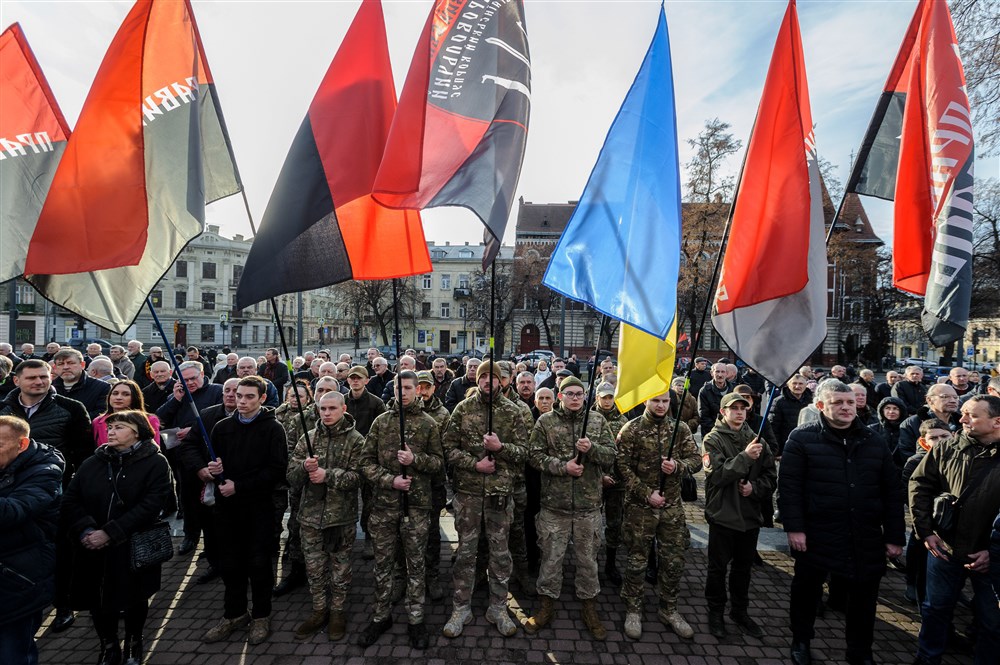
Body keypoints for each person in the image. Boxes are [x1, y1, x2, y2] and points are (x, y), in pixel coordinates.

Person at [779, 380, 904, 665]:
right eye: (838, 402)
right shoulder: (802, 438)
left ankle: (860, 651)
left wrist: (895, 535)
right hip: (817, 531)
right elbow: (789, 487)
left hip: (864, 533)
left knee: (863, 599)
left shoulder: (873, 440)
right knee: (807, 591)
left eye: (850, 402)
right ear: (821, 406)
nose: (846, 407)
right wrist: (795, 528)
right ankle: (801, 639)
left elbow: (891, 490)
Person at [62, 411, 172, 665]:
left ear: (137, 431)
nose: (111, 431)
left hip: (131, 543)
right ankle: (108, 644)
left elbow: (152, 504)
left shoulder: (155, 463)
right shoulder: (94, 461)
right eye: (109, 426)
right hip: (92, 545)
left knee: (134, 596)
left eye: (119, 427)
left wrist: (110, 532)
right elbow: (71, 499)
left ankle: (134, 641)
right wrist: (87, 530)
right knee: (98, 598)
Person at [0, 359, 92, 632]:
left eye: (43, 377)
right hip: (8, 492)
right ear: (17, 381)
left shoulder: (71, 408)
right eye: (32, 378)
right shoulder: (3, 410)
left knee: (59, 551)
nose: (39, 382)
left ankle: (62, 606)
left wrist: (76, 486)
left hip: (53, 492)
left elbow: (85, 451)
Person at [909, 395, 1000, 665]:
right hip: (944, 549)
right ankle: (927, 658)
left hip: (990, 559)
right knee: (935, 609)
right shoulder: (946, 448)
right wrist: (925, 531)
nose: (961, 420)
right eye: (962, 413)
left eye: (971, 415)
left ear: (997, 422)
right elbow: (919, 486)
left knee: (992, 620)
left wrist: (994, 553)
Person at [524, 376, 615, 640]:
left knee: (588, 562)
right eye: (569, 394)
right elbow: (533, 455)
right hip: (555, 506)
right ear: (560, 395)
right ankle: (546, 607)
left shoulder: (597, 421)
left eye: (579, 394)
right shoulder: (546, 421)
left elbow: (612, 455)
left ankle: (590, 608)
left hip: (588, 507)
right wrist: (563, 467)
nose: (575, 398)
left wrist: (592, 449)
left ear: (585, 396)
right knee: (551, 560)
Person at [357, 371, 443, 649]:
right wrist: (389, 480)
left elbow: (439, 464)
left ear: (417, 390)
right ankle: (381, 616)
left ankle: (416, 619)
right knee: (383, 565)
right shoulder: (381, 422)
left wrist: (415, 459)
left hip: (416, 506)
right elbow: (366, 462)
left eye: (408, 388)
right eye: (399, 388)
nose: (403, 392)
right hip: (384, 506)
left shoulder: (429, 424)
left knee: (415, 565)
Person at [441, 361, 527, 638]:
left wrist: (500, 448)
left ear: (502, 381)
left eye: (494, 376)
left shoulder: (513, 412)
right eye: (483, 376)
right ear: (477, 380)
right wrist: (474, 464)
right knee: (466, 553)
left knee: (500, 554)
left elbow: (525, 452)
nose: (488, 381)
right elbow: (448, 447)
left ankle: (498, 607)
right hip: (468, 494)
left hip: (500, 496)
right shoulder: (463, 409)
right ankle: (461, 607)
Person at [202, 376, 287, 646]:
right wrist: (214, 472)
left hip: (258, 506)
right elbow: (215, 462)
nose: (242, 401)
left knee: (259, 563)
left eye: (249, 397)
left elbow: (276, 470)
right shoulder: (222, 427)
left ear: (262, 398)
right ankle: (234, 613)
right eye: (239, 396)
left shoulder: (273, 428)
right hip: (227, 509)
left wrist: (240, 485)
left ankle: (261, 614)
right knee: (230, 563)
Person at [615, 391, 701, 640]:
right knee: (637, 559)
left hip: (671, 506)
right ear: (646, 401)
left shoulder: (681, 428)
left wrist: (678, 467)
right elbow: (622, 467)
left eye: (665, 401)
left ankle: (669, 609)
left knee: (673, 561)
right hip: (640, 507)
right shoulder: (632, 429)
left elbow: (696, 459)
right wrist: (645, 493)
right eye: (656, 401)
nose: (661, 406)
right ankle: (633, 607)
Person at [286, 391, 364, 641]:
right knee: (315, 568)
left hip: (340, 517)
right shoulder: (307, 438)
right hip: (309, 516)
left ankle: (338, 611)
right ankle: (319, 609)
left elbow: (359, 477)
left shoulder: (356, 440)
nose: (327, 413)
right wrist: (304, 468)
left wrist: (327, 475)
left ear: (343, 409)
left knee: (340, 569)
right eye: (323, 409)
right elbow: (291, 477)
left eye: (332, 408)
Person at [702, 393, 776, 640]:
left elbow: (770, 477)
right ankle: (715, 612)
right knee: (717, 569)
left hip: (749, 516)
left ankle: (739, 611)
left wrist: (755, 489)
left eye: (743, 408)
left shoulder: (757, 440)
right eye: (734, 408)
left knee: (743, 570)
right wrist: (745, 457)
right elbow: (717, 475)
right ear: (723, 412)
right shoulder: (713, 439)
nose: (739, 412)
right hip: (723, 514)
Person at [0, 415, 65, 665]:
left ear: (22, 445)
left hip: (18, 579)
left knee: (12, 654)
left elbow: (15, 510)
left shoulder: (45, 472)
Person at [156, 361, 223, 557]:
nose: (190, 383)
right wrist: (176, 399)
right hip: (184, 458)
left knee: (212, 501)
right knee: (188, 499)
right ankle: (190, 536)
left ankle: (214, 540)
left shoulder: (217, 391)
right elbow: (160, 419)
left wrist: (193, 429)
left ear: (203, 374)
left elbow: (220, 417)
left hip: (210, 455)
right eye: (185, 380)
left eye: (193, 378)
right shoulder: (177, 395)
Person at [900, 419, 953, 605]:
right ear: (924, 442)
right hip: (925, 522)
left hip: (949, 525)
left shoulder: (959, 459)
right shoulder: (915, 462)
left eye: (944, 436)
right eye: (934, 438)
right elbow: (911, 494)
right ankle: (913, 585)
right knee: (921, 561)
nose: (940, 441)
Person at [271, 381, 315, 596]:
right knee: (294, 520)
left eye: (301, 396)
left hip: (311, 478)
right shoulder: (282, 416)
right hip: (288, 475)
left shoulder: (314, 417)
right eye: (291, 395)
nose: (295, 399)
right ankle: (294, 560)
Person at [344, 366, 387, 560]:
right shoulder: (342, 401)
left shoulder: (376, 403)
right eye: (352, 378)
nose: (355, 381)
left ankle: (369, 537)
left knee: (370, 502)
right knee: (344, 499)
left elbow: (382, 430)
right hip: (346, 457)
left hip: (368, 457)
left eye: (358, 378)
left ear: (366, 380)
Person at [592, 381, 629, 587]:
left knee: (615, 524)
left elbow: (624, 454)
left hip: (616, 481)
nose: (607, 401)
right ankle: (592, 561)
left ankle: (611, 563)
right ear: (597, 397)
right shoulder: (589, 419)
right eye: (604, 397)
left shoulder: (623, 420)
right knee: (592, 523)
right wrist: (600, 476)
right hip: (593, 481)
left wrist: (614, 476)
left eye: (610, 397)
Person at [897, 384, 962, 464]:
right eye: (945, 397)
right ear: (929, 400)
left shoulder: (963, 423)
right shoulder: (912, 423)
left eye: (955, 397)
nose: (953, 400)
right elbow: (906, 453)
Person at [92, 381, 161, 447]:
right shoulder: (97, 421)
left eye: (126, 394)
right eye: (115, 393)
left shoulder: (149, 420)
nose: (118, 398)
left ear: (135, 397)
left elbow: (153, 448)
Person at [52, 348, 112, 419]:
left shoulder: (102, 387)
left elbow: (102, 413)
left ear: (82, 365)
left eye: (71, 363)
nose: (66, 367)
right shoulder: (49, 388)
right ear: (55, 368)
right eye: (61, 364)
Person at [870, 396, 908, 468]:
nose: (891, 412)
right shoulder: (872, 429)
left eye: (895, 408)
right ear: (882, 411)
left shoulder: (907, 429)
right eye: (887, 408)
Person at [699, 363, 733, 437]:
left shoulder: (733, 389)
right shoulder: (705, 391)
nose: (720, 375)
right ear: (712, 373)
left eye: (723, 372)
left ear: (727, 374)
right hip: (712, 433)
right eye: (717, 371)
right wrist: (719, 429)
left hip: (731, 432)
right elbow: (703, 416)